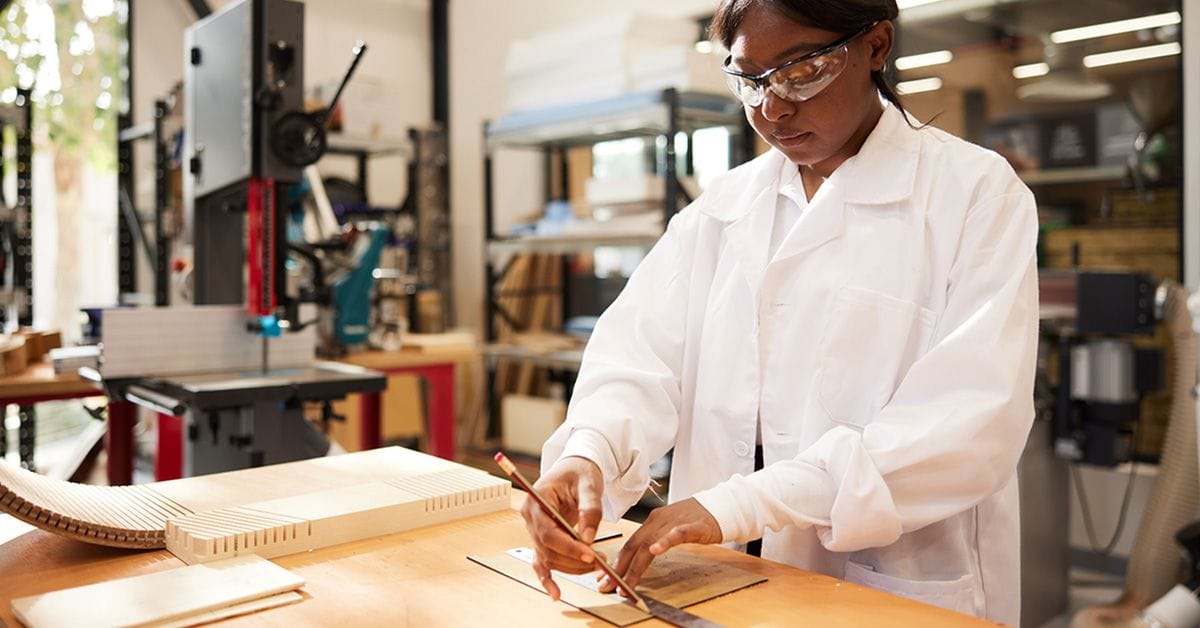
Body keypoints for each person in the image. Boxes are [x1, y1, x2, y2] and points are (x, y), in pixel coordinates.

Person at [518, 0, 1038, 624]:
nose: (772, 106)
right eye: (750, 79)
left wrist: (739, 505)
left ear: (876, 46)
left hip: (894, 582)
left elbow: (967, 424)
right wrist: (590, 453)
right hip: (722, 572)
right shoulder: (723, 209)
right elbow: (639, 357)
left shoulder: (974, 195)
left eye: (800, 72)